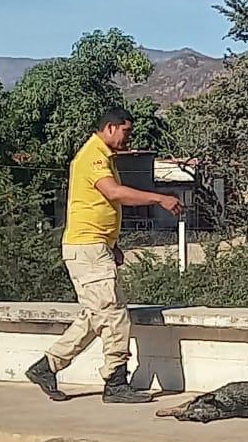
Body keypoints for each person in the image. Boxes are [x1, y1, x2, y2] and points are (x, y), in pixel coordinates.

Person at [25, 107, 184, 404]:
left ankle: (46, 367)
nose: (128, 138)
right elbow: (114, 194)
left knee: (95, 317)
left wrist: (111, 244)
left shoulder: (103, 156)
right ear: (109, 128)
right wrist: (159, 197)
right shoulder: (93, 156)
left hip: (94, 247)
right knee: (112, 316)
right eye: (125, 132)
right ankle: (115, 382)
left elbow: (99, 206)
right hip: (87, 248)